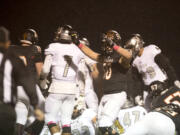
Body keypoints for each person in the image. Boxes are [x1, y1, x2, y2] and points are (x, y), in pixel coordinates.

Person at [71, 30, 134, 135]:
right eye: (105, 43)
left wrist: (113, 45)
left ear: (115, 42)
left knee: (105, 124)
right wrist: (78, 42)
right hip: (106, 95)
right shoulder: (105, 57)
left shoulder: (121, 58)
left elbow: (128, 56)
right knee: (99, 128)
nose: (106, 46)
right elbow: (91, 53)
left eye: (108, 43)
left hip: (117, 94)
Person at [123, 34, 180, 135]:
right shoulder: (135, 61)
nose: (130, 51)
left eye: (131, 48)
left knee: (167, 114)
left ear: (137, 44)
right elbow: (137, 81)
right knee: (151, 116)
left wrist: (175, 80)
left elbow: (167, 66)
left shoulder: (151, 50)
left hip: (163, 88)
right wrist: (137, 94)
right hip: (149, 92)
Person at [40, 25, 87, 135]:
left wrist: (42, 81)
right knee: (66, 122)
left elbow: (45, 69)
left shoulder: (53, 46)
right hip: (71, 89)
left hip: (57, 86)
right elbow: (82, 73)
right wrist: (82, 93)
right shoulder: (78, 49)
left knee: (49, 118)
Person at [0, 27, 41, 135]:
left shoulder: (11, 49)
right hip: (28, 87)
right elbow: (40, 73)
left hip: (13, 88)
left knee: (19, 118)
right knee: (45, 112)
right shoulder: (35, 49)